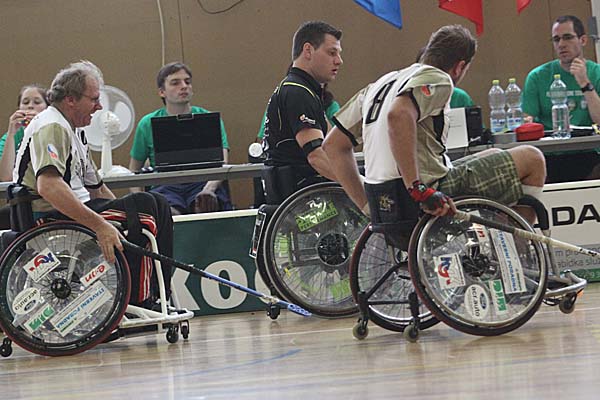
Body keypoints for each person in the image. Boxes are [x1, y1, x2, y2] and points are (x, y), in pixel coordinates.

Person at [323, 24, 546, 224]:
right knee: (532, 159)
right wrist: (417, 188)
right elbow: (398, 115)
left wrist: (367, 206)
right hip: (424, 195)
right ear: (459, 67)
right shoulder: (439, 78)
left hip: (384, 201)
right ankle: (521, 248)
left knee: (494, 153)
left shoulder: (379, 84)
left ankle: (499, 238)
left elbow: (332, 145)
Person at [12, 61, 174, 306]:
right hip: (50, 217)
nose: (99, 106)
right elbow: (49, 186)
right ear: (70, 99)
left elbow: (97, 189)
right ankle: (137, 301)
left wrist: (121, 211)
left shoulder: (76, 130)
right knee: (145, 207)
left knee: (156, 203)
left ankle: (160, 294)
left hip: (76, 210)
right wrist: (100, 225)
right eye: (94, 99)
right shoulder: (52, 126)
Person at [129, 62, 232, 214]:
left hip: (202, 182)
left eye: (187, 82)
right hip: (165, 186)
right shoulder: (146, 124)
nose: (184, 86)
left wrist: (208, 190)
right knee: (167, 212)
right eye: (175, 83)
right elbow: (134, 170)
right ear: (162, 92)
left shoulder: (209, 119)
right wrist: (142, 204)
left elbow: (223, 163)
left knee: (205, 203)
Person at [261, 20, 343, 202]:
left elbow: (332, 146)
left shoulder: (302, 90)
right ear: (308, 50)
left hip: (299, 198)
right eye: (332, 53)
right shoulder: (297, 92)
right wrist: (359, 185)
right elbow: (317, 156)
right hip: (302, 204)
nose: (339, 60)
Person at [522, 15, 600, 182]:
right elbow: (526, 121)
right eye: (556, 39)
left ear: (583, 40)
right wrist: (526, 121)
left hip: (588, 152)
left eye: (568, 37)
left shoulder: (596, 73)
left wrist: (585, 83)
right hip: (548, 154)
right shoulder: (537, 76)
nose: (562, 44)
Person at [0, 85, 49, 182]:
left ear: (47, 108)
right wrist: (11, 133)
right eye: (25, 102)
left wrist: (39, 124)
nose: (30, 106)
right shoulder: (11, 135)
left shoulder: (53, 130)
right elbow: (5, 177)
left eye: (37, 102)